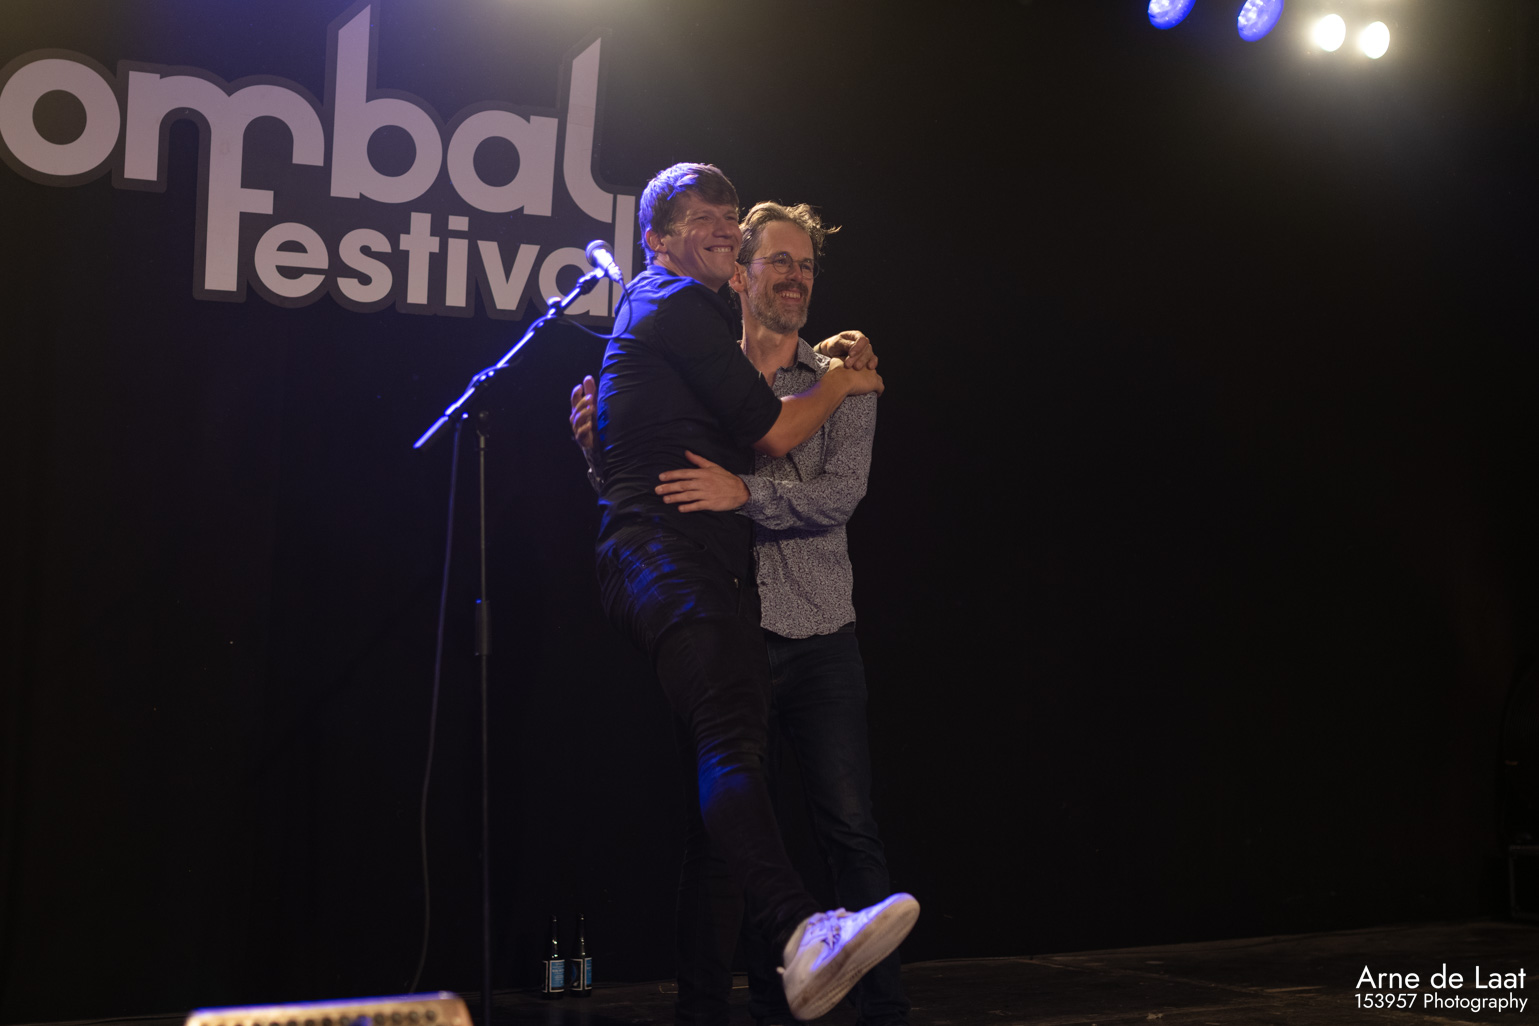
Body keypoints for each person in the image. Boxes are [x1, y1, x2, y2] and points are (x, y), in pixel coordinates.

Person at [587, 162, 917, 1022]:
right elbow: (737, 443)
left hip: (811, 625)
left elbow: (834, 495)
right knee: (721, 812)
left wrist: (746, 489)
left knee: (836, 820)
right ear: (741, 274)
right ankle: (781, 956)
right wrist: (600, 442)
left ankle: (852, 984)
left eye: (805, 266)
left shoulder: (814, 363)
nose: (791, 276)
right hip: (713, 594)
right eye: (776, 260)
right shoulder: (692, 333)